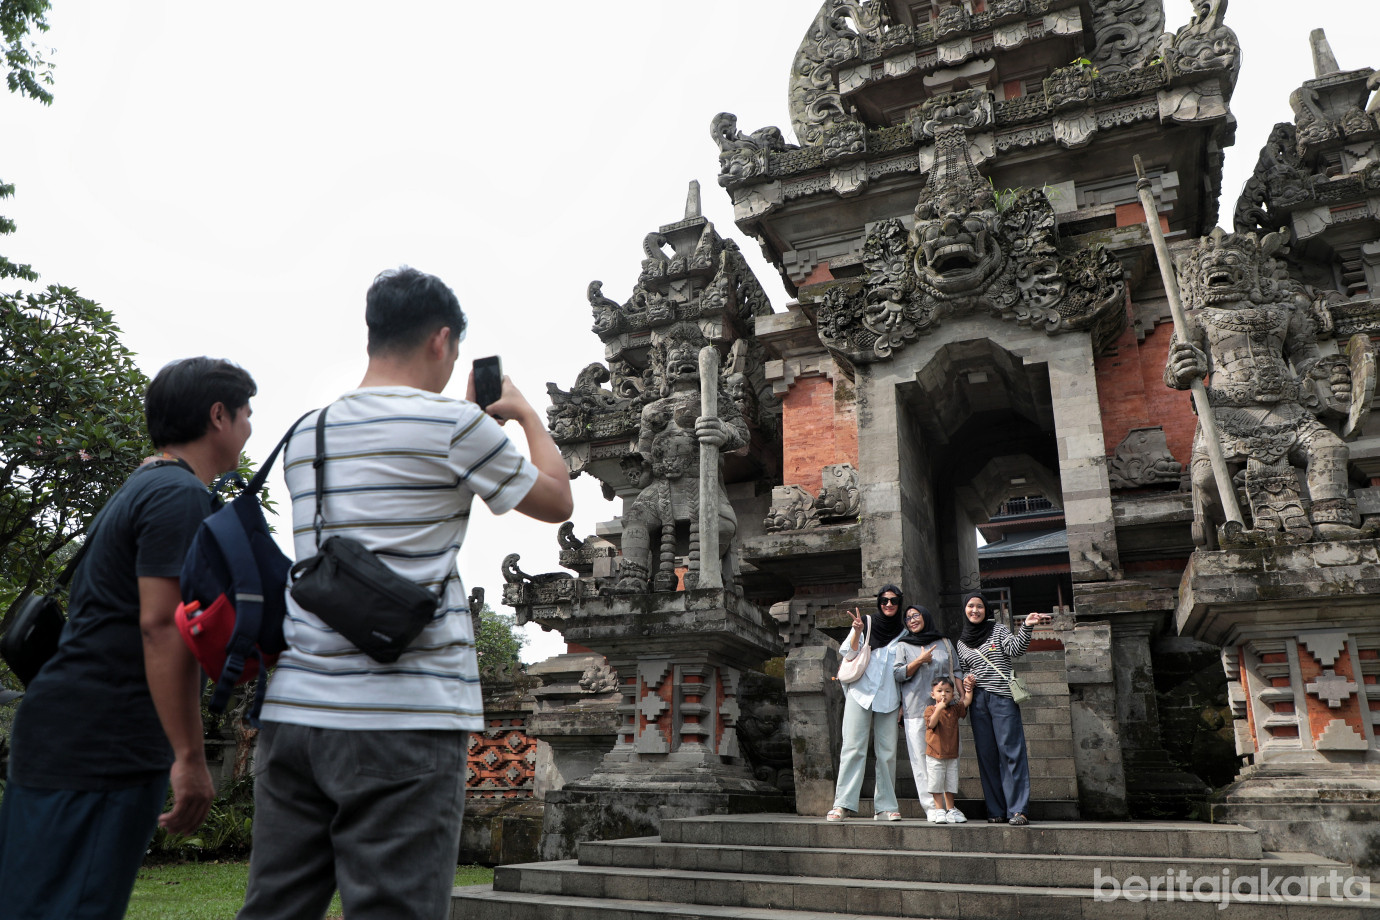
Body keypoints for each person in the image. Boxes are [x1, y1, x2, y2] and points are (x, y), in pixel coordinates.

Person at [237, 267, 572, 920]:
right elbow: (555, 499)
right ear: (442, 342)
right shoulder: (455, 426)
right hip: (405, 714)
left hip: (297, 713)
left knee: (274, 908)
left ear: (373, 335)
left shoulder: (307, 433)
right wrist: (523, 413)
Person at [0, 358, 257, 920]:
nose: (249, 428)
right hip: (101, 741)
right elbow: (162, 626)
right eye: (246, 414)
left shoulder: (145, 482)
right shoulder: (178, 497)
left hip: (69, 729)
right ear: (218, 416)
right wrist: (189, 756)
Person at [955, 591, 1046, 826]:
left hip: (1002, 698)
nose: (974, 610)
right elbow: (965, 668)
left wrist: (1026, 626)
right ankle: (996, 809)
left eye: (979, 607)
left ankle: (1018, 810)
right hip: (978, 702)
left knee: (1010, 752)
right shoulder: (962, 641)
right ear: (965, 610)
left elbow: (1015, 650)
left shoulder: (998, 630)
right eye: (970, 606)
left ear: (986, 610)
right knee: (987, 755)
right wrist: (967, 682)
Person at [827, 584, 907, 822]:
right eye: (884, 601)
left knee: (888, 753)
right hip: (860, 693)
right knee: (852, 749)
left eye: (893, 601)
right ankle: (842, 804)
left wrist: (904, 703)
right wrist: (856, 631)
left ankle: (885, 806)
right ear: (879, 603)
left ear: (900, 603)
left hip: (890, 698)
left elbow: (904, 671)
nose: (889, 605)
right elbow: (849, 655)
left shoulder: (905, 633)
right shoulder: (867, 623)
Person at [892, 605, 961, 823]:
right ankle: (932, 807)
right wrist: (918, 661)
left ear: (926, 616)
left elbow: (956, 669)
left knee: (947, 758)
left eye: (916, 615)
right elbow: (898, 674)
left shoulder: (945, 643)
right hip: (915, 709)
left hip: (945, 711)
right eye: (907, 618)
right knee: (921, 760)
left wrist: (962, 693)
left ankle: (950, 807)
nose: (912, 620)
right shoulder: (903, 645)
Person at [923, 676, 972, 824]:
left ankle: (950, 810)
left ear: (952, 694)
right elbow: (931, 723)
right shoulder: (930, 709)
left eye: (947, 691)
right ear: (933, 694)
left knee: (950, 783)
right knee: (936, 783)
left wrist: (969, 688)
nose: (943, 694)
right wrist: (939, 708)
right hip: (934, 754)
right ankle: (939, 810)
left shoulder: (955, 709)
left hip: (951, 754)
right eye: (939, 691)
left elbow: (967, 701)